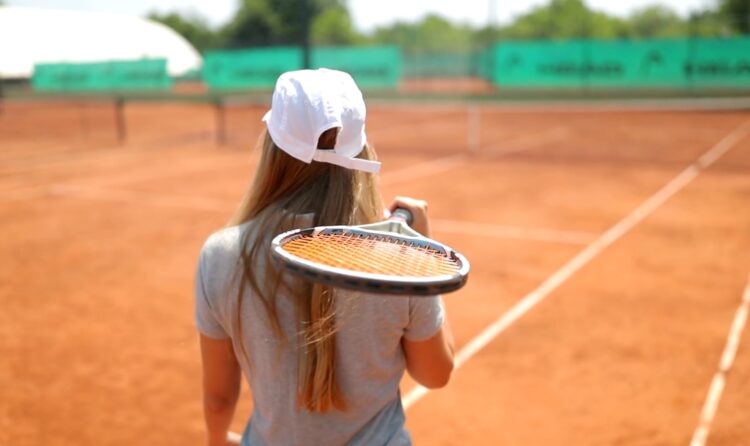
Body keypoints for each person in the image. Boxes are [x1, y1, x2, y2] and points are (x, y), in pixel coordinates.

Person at [194, 68, 454, 446]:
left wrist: (217, 441)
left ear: (273, 147)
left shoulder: (220, 256)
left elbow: (219, 398)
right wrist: (421, 251)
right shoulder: (401, 256)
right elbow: (436, 374)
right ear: (361, 149)